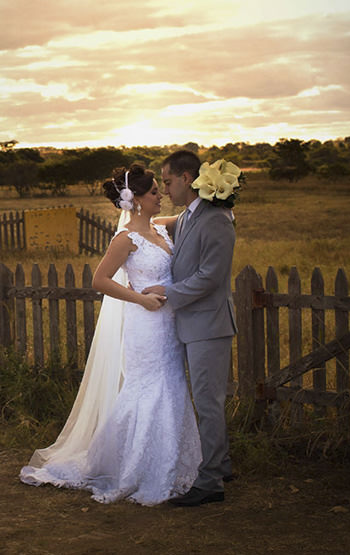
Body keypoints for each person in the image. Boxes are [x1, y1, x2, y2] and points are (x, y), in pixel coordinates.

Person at [19, 164, 200, 506]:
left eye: (159, 191)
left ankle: (171, 462)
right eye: (152, 193)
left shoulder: (160, 231)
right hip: (145, 324)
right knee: (147, 388)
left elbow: (192, 217)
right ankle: (135, 467)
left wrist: (218, 204)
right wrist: (141, 298)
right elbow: (100, 280)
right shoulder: (125, 239)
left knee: (172, 384)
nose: (160, 196)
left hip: (169, 325)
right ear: (135, 200)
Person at [145, 149, 237, 507]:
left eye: (167, 181)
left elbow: (211, 278)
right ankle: (223, 464)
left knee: (208, 402)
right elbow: (168, 225)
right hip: (193, 325)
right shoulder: (189, 215)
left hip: (209, 325)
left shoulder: (216, 218)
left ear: (187, 179)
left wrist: (168, 292)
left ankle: (211, 481)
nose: (165, 188)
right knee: (206, 400)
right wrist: (139, 217)